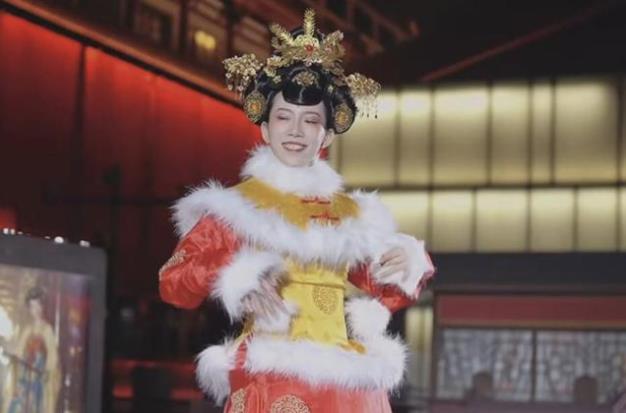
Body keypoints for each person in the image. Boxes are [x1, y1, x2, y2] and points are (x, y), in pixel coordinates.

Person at [159, 9, 435, 412]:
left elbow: (388, 290)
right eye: (284, 117)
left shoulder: (350, 215)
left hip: (344, 384)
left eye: (310, 121)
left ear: (326, 135)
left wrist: (403, 263)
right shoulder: (236, 208)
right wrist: (239, 280)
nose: (295, 131)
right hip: (270, 380)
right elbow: (174, 283)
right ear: (265, 128)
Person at [4, 286, 60, 413]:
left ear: (42, 306)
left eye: (38, 305)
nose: (36, 310)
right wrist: (12, 354)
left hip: (39, 377)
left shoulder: (47, 330)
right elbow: (19, 351)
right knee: (17, 403)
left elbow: (52, 355)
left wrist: (47, 371)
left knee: (36, 405)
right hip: (25, 375)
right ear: (29, 309)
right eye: (32, 306)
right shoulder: (27, 329)